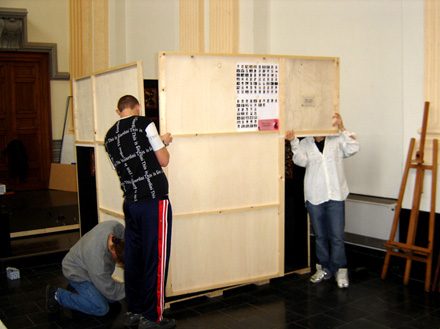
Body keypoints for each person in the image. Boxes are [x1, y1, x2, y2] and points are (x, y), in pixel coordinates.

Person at [104, 95, 174, 329]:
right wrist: (162, 142)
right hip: (154, 200)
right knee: (156, 258)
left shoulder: (109, 136)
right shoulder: (144, 124)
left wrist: (154, 143)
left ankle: (134, 310)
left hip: (131, 203)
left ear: (118, 110)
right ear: (137, 108)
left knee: (134, 257)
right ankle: (152, 317)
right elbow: (163, 160)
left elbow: (134, 158)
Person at [285, 113, 359, 288]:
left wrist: (342, 128)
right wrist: (294, 141)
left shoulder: (336, 139)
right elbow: (300, 161)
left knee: (337, 236)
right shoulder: (305, 143)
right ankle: (323, 268)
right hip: (314, 195)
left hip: (336, 194)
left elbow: (353, 147)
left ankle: (340, 270)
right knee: (320, 236)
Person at [45, 220, 125, 316]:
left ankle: (81, 291)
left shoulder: (117, 228)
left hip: (87, 265)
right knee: (101, 308)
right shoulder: (97, 258)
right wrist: (133, 288)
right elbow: (110, 290)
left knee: (111, 299)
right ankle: (57, 295)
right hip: (75, 271)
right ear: (114, 251)